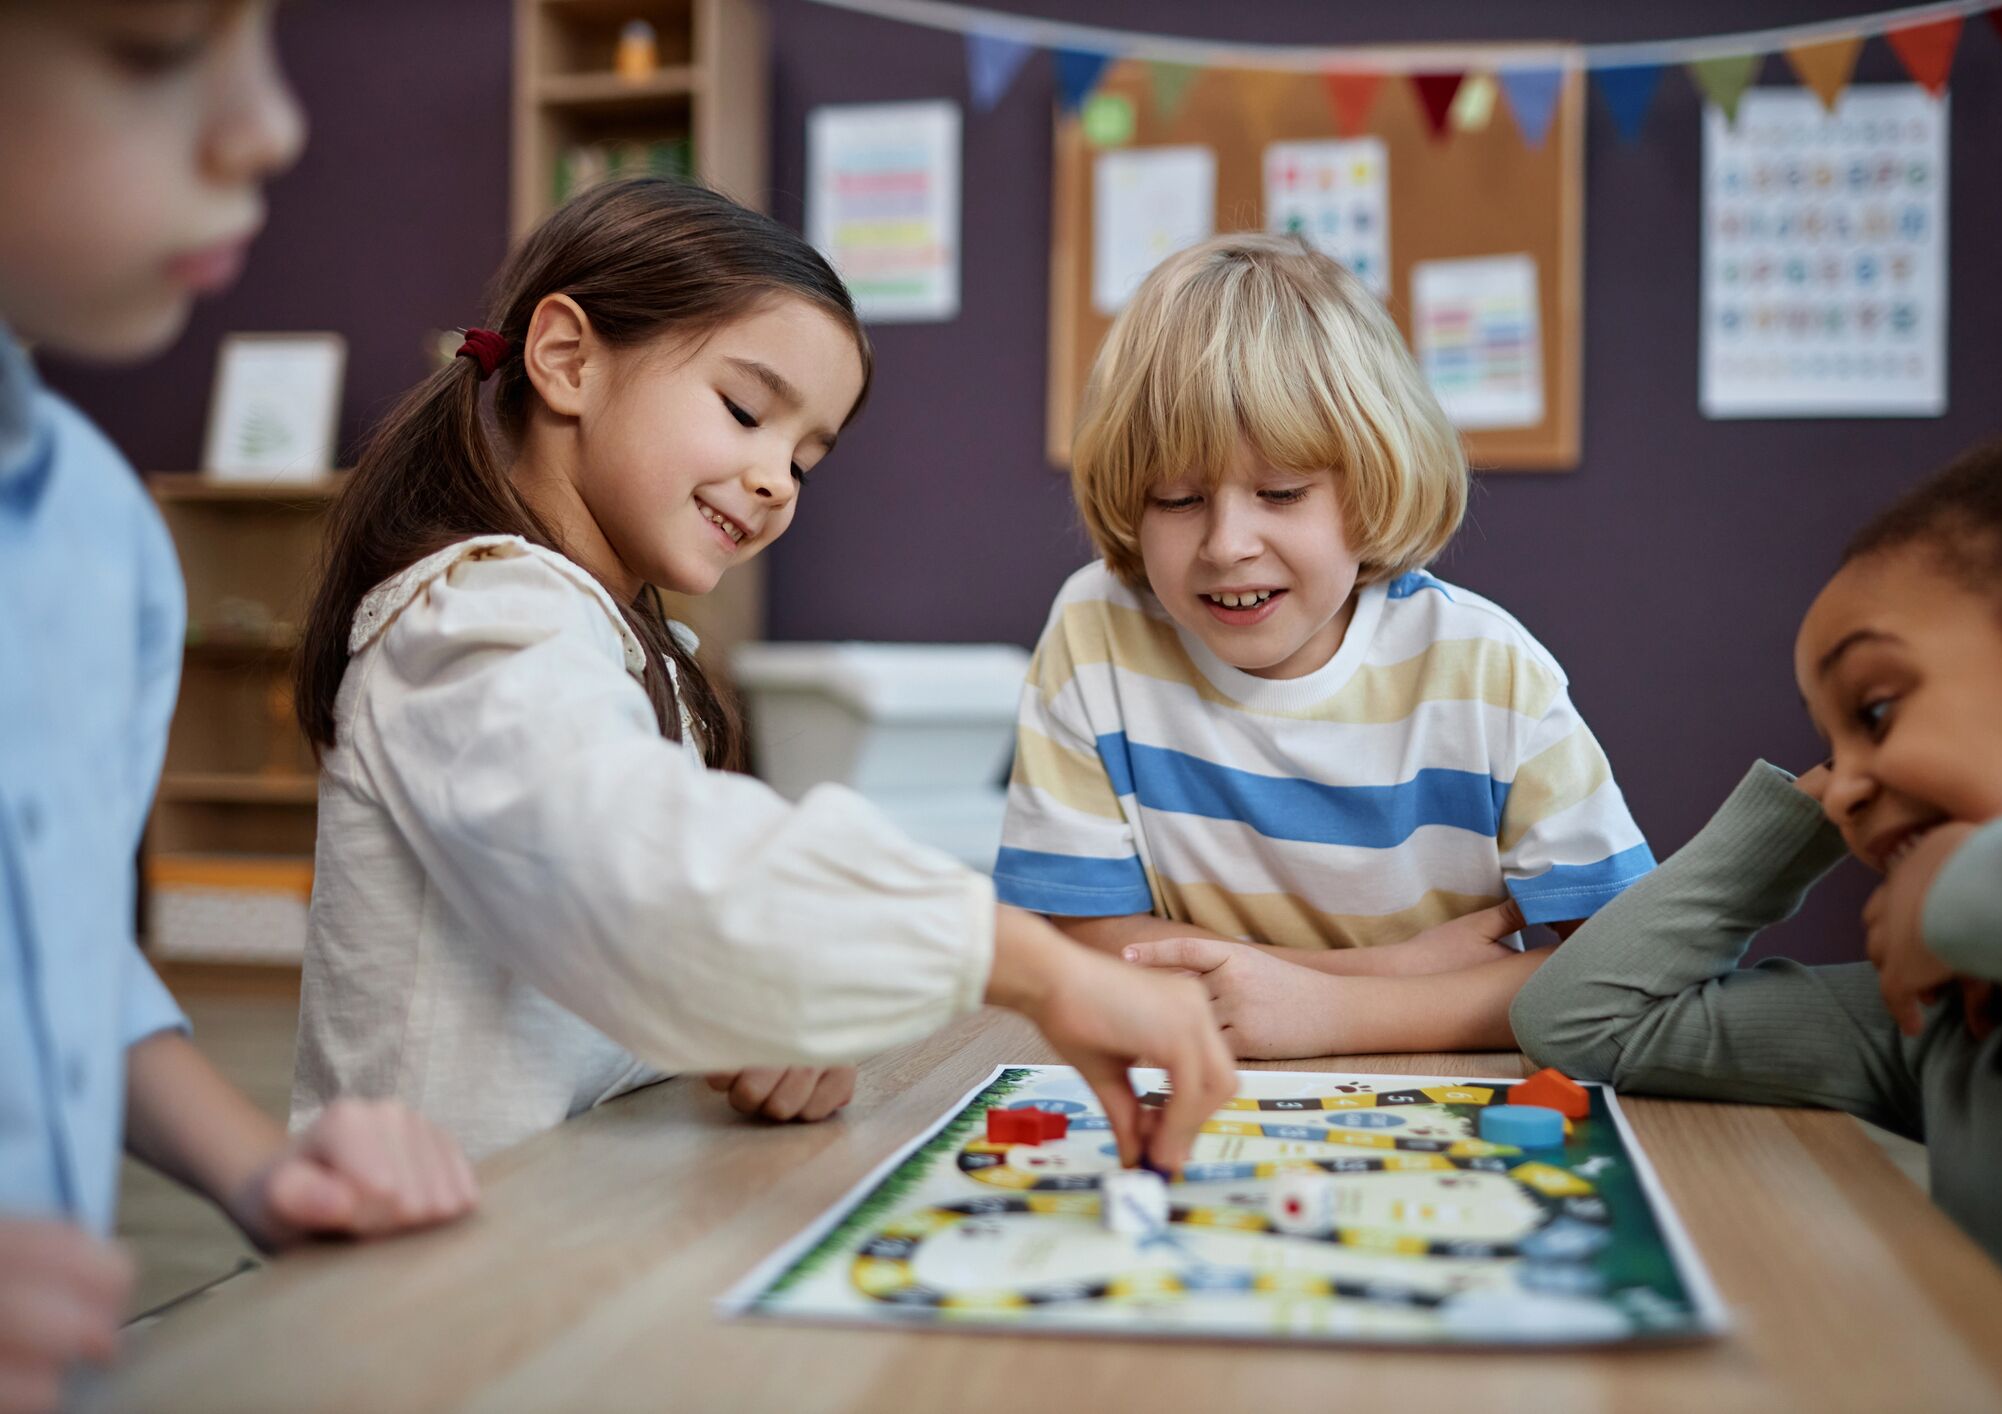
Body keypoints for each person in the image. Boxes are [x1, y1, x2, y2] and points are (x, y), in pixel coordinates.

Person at [287, 177, 1235, 1167]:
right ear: (568, 360)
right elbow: (633, 854)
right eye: (746, 410)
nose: (779, 479)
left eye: (807, 459)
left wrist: (754, 1023)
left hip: (566, 1223)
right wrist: (1036, 967)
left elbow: (626, 957)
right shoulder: (473, 621)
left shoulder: (616, 637)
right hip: (429, 1265)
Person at [0, 7, 476, 1410]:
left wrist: (262, 1170)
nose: (272, 123)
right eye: (155, 50)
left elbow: (58, 956)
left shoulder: (99, 535)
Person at [1510, 346, 2002, 1377]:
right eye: (1830, 745)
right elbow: (1578, 1020)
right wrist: (1803, 815)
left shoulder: (1977, 922)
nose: (1843, 779)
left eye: (1877, 707)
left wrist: (1966, 886)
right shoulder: (1937, 1024)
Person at [999, 233, 1653, 1057]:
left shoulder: (1487, 669)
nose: (1226, 543)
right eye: (1175, 499)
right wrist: (1387, 971)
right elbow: (1081, 941)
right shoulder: (1096, 630)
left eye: (1280, 492)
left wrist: (1337, 1012)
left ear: (1374, 479)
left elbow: (1626, 966)